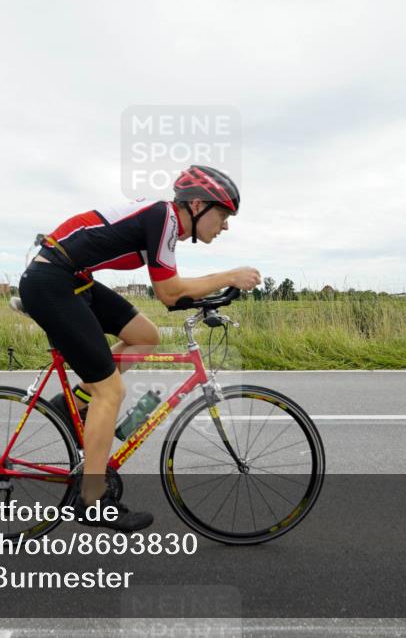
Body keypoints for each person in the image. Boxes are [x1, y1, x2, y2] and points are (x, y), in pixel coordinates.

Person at [18, 165, 262, 532]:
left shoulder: (165, 223)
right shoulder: (163, 217)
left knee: (145, 335)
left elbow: (170, 294)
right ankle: (93, 499)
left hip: (72, 279)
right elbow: (170, 290)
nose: (225, 225)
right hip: (52, 281)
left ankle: (73, 405)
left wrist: (210, 297)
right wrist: (228, 276)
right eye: (223, 214)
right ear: (196, 205)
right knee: (111, 391)